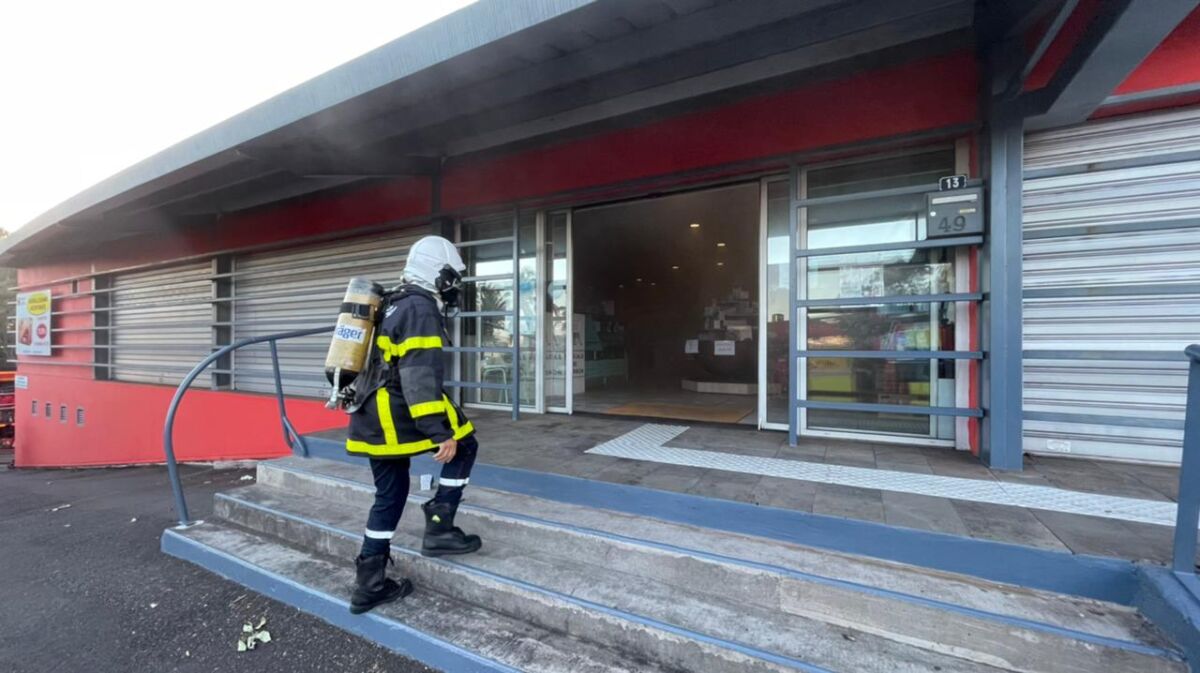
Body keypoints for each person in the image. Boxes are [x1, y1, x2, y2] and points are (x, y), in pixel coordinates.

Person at [344, 235, 482, 615]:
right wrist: (439, 432)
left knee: (389, 493)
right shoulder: (420, 307)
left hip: (370, 413)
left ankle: (369, 582)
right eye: (451, 277)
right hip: (396, 409)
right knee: (464, 445)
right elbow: (419, 375)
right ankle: (439, 525)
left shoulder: (393, 302)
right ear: (436, 273)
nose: (453, 285)